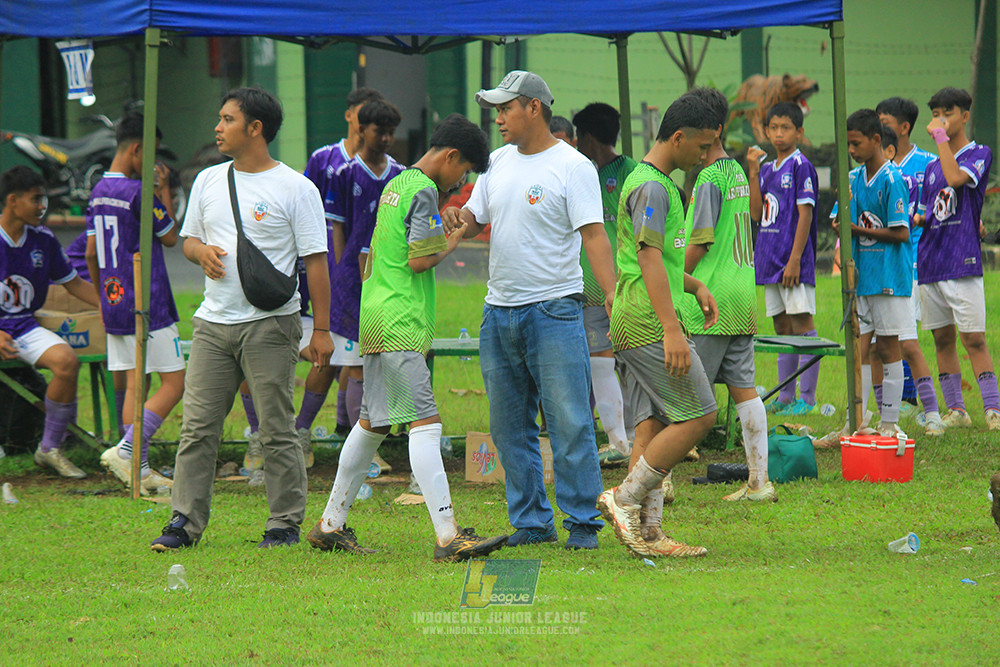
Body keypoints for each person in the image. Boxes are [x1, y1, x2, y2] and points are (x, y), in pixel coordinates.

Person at [308, 114, 507, 561]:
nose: (461, 186)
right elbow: (421, 260)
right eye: (464, 174)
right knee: (426, 422)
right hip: (400, 319)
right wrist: (453, 236)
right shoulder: (420, 190)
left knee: (373, 422)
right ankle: (448, 535)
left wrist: (441, 221)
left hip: (376, 316)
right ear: (451, 157)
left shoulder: (399, 185)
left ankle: (330, 524)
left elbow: (406, 243)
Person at [150, 87, 333, 551]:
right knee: (197, 428)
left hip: (271, 324)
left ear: (255, 128)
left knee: (275, 428)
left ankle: (283, 523)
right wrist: (201, 253)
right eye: (219, 118)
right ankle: (183, 522)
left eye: (227, 119)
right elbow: (189, 240)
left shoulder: (296, 187)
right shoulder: (209, 180)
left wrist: (324, 331)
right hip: (213, 324)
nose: (217, 127)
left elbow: (316, 263)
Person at [443, 70, 616, 550]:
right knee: (508, 426)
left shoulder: (572, 166)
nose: (497, 119)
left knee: (570, 420)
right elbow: (476, 221)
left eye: (505, 109)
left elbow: (594, 236)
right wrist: (459, 217)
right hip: (498, 312)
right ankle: (531, 522)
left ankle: (582, 523)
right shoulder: (496, 162)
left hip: (555, 310)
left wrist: (614, 296)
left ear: (533, 108)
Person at [597, 94, 719, 559]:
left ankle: (650, 533)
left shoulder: (645, 180)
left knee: (653, 420)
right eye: (703, 147)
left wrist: (691, 284)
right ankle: (624, 497)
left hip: (636, 313)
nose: (705, 157)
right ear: (678, 138)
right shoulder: (653, 187)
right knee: (699, 414)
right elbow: (647, 257)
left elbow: (648, 257)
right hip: (647, 320)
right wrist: (672, 328)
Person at [241, 87, 386, 470]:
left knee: (337, 355)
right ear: (350, 116)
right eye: (359, 114)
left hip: (351, 279)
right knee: (248, 354)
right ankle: (260, 436)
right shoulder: (324, 160)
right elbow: (307, 206)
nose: (363, 123)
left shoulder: (387, 170)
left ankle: (305, 432)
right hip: (306, 273)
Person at [680, 88, 773, 502]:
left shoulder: (709, 177)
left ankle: (658, 482)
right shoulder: (736, 170)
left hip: (710, 299)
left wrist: (670, 274)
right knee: (744, 389)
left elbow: (698, 241)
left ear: (714, 130)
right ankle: (759, 481)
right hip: (742, 294)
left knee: (680, 387)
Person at [85, 114, 183, 495]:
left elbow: (92, 252)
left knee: (134, 385)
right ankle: (127, 451)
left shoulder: (97, 191)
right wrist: (163, 190)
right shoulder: (139, 193)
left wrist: (101, 297)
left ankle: (137, 468)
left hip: (113, 299)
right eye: (153, 155)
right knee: (176, 382)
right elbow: (171, 236)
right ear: (138, 149)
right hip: (148, 300)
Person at [0, 166, 101, 477]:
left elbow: (73, 283)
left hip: (25, 326)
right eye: (36, 199)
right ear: (13, 201)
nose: (42, 206)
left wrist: (114, 307)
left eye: (43, 199)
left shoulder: (43, 239)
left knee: (66, 362)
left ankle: (50, 448)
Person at [913, 87, 998, 429]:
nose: (940, 118)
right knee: (941, 338)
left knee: (973, 338)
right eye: (935, 112)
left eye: (947, 111)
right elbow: (923, 214)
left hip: (961, 261)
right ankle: (957, 410)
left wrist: (940, 138)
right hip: (931, 262)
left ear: (964, 115)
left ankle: (992, 409)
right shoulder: (932, 166)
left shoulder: (978, 153)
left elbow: (956, 179)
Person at [329, 98, 405, 473]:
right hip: (352, 283)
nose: (388, 138)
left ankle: (363, 435)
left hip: (388, 279)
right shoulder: (344, 173)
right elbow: (337, 226)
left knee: (378, 360)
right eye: (380, 131)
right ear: (362, 130)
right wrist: (343, 270)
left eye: (392, 132)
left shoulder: (401, 174)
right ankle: (357, 443)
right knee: (357, 363)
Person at [833, 109, 912, 439]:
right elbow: (839, 219)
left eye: (856, 143)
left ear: (876, 140)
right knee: (859, 347)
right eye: (848, 144)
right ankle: (856, 421)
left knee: (887, 347)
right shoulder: (852, 179)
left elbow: (901, 233)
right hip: (861, 279)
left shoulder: (893, 180)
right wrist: (843, 225)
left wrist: (854, 229)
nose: (851, 150)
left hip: (889, 278)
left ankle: (890, 423)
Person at [871, 98, 945, 436]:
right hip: (876, 268)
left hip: (911, 263)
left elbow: (941, 207)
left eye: (884, 121)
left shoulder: (929, 163)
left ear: (903, 127)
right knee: (877, 344)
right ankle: (887, 408)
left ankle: (930, 410)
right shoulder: (870, 169)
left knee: (907, 341)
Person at [572, 102, 636, 467]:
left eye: (581, 136)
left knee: (603, 361)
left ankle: (619, 441)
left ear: (589, 137)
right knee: (620, 361)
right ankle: (629, 437)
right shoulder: (633, 171)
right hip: (620, 282)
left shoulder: (601, 174)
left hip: (605, 284)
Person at [747, 102, 821, 415]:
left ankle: (807, 399)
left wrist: (794, 260)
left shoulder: (801, 166)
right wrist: (752, 171)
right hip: (768, 259)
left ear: (799, 132)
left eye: (785, 128)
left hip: (793, 263)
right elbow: (754, 213)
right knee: (781, 327)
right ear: (766, 131)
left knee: (802, 325)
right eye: (773, 128)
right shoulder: (766, 169)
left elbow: (805, 215)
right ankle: (786, 396)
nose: (779, 134)